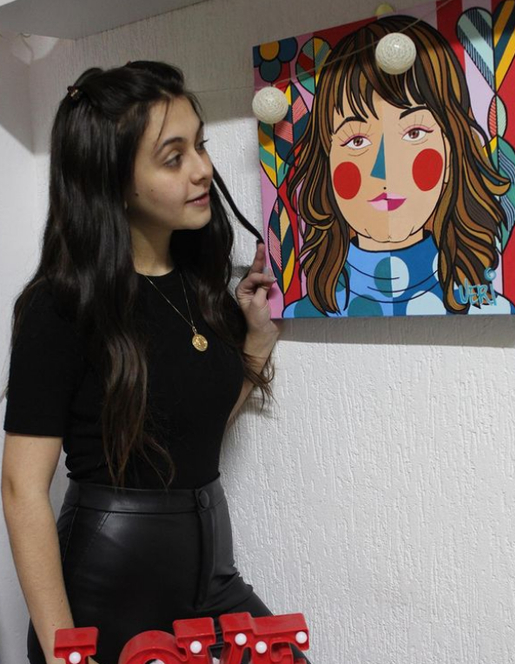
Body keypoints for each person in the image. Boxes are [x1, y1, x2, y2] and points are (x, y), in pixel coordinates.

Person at [1, 61, 310, 664]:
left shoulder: (198, 285)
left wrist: (255, 344)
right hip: (109, 588)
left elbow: (189, 429)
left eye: (200, 145)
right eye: (173, 158)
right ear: (114, 182)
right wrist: (65, 653)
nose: (202, 169)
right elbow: (21, 488)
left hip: (211, 575)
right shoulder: (60, 305)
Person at [282, 15, 515, 318]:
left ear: (450, 155)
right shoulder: (300, 313)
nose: (384, 170)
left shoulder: (487, 306)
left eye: (414, 133)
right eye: (357, 140)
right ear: (327, 163)